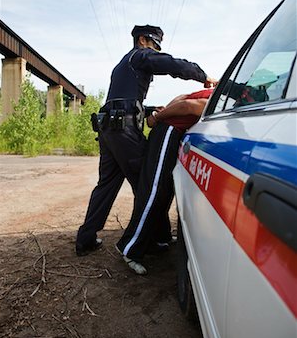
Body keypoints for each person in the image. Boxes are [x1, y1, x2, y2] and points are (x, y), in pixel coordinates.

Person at [76, 24, 217, 256]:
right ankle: (156, 238)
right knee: (150, 181)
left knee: (106, 185)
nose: (155, 51)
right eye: (154, 46)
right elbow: (172, 64)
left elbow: (122, 98)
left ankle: (86, 239)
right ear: (143, 40)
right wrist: (203, 76)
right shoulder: (139, 55)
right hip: (123, 131)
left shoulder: (124, 64)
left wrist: (149, 108)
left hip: (109, 128)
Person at [116, 88, 214, 274]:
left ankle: (157, 239)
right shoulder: (214, 98)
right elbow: (185, 106)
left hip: (169, 132)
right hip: (168, 132)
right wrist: (157, 117)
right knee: (154, 190)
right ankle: (129, 248)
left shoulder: (206, 92)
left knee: (165, 190)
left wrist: (160, 115)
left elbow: (181, 98)